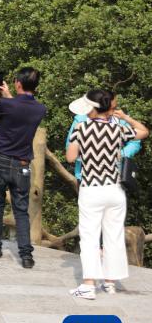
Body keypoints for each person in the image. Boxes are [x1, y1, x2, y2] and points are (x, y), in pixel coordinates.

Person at [65, 90, 148, 299]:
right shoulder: (118, 128)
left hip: (92, 188)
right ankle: (110, 282)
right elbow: (143, 132)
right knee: (114, 236)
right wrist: (126, 117)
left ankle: (88, 285)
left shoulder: (81, 128)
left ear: (92, 108)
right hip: (114, 190)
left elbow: (70, 157)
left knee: (90, 237)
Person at [0, 67, 46, 268]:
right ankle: (26, 256)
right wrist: (8, 96)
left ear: (18, 83)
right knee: (21, 210)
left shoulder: (6, 104)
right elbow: (20, 110)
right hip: (22, 164)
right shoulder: (40, 109)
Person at [66, 91, 142, 181]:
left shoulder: (120, 120)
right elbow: (70, 147)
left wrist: (121, 154)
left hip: (117, 175)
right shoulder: (80, 119)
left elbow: (135, 142)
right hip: (85, 177)